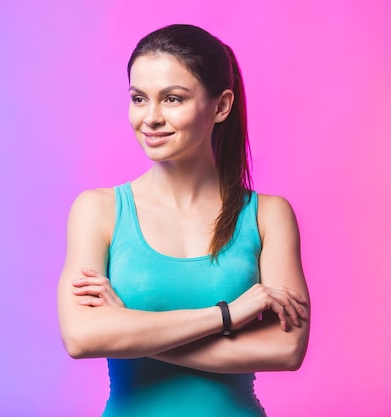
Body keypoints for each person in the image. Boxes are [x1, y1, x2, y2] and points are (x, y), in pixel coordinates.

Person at [57, 24, 310, 416]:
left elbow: (287, 348)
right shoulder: (98, 210)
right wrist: (225, 316)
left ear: (221, 106)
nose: (151, 117)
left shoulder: (268, 215)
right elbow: (81, 336)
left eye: (172, 99)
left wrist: (128, 329)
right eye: (139, 98)